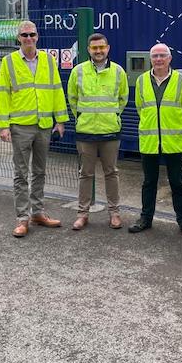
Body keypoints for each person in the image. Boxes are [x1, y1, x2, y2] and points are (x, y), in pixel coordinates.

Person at [0, 20, 68, 238]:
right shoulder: (8, 62)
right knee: (21, 174)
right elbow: (3, 94)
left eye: (32, 34)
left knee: (40, 171)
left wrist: (60, 120)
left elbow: (56, 89)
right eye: (24, 35)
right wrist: (3, 125)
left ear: (37, 36)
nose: (29, 38)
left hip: (44, 125)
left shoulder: (48, 60)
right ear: (18, 38)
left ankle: (37, 212)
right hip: (20, 127)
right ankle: (22, 218)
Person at [129, 43, 182, 238]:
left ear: (170, 58)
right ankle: (145, 218)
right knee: (149, 182)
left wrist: (170, 125)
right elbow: (141, 108)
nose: (158, 59)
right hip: (149, 141)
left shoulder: (181, 81)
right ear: (150, 59)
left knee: (178, 183)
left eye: (162, 55)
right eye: (155, 56)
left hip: (173, 141)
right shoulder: (142, 80)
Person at [67, 33, 128, 231]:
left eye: (102, 47)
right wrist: (82, 116)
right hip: (86, 131)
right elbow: (72, 98)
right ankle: (82, 214)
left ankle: (114, 213)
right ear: (89, 50)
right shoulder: (78, 71)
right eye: (94, 48)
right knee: (85, 174)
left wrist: (113, 116)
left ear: (107, 48)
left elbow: (123, 99)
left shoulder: (118, 71)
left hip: (110, 131)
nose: (98, 51)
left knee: (112, 173)